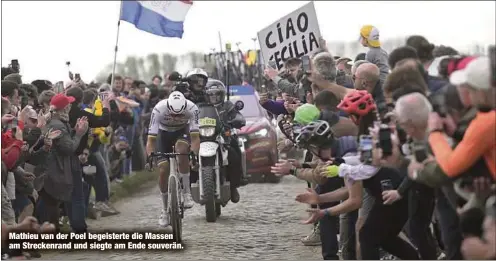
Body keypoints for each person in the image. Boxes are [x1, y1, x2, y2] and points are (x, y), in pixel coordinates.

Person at [146, 91, 200, 227]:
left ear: (185, 107)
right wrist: (150, 158)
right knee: (163, 169)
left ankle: (187, 192)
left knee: (182, 152)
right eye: (173, 114)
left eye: (179, 114)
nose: (176, 117)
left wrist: (194, 155)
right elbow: (151, 140)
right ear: (168, 107)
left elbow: (195, 138)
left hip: (182, 132)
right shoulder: (159, 109)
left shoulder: (192, 108)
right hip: (163, 135)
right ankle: (164, 210)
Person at [202, 79, 246, 201]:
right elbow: (193, 117)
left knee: (234, 153)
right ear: (206, 95)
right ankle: (188, 181)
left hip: (224, 136)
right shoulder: (201, 106)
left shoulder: (228, 105)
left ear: (222, 95)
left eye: (217, 94)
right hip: (205, 137)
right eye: (211, 94)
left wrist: (236, 120)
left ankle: (234, 186)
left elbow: (238, 116)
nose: (214, 97)